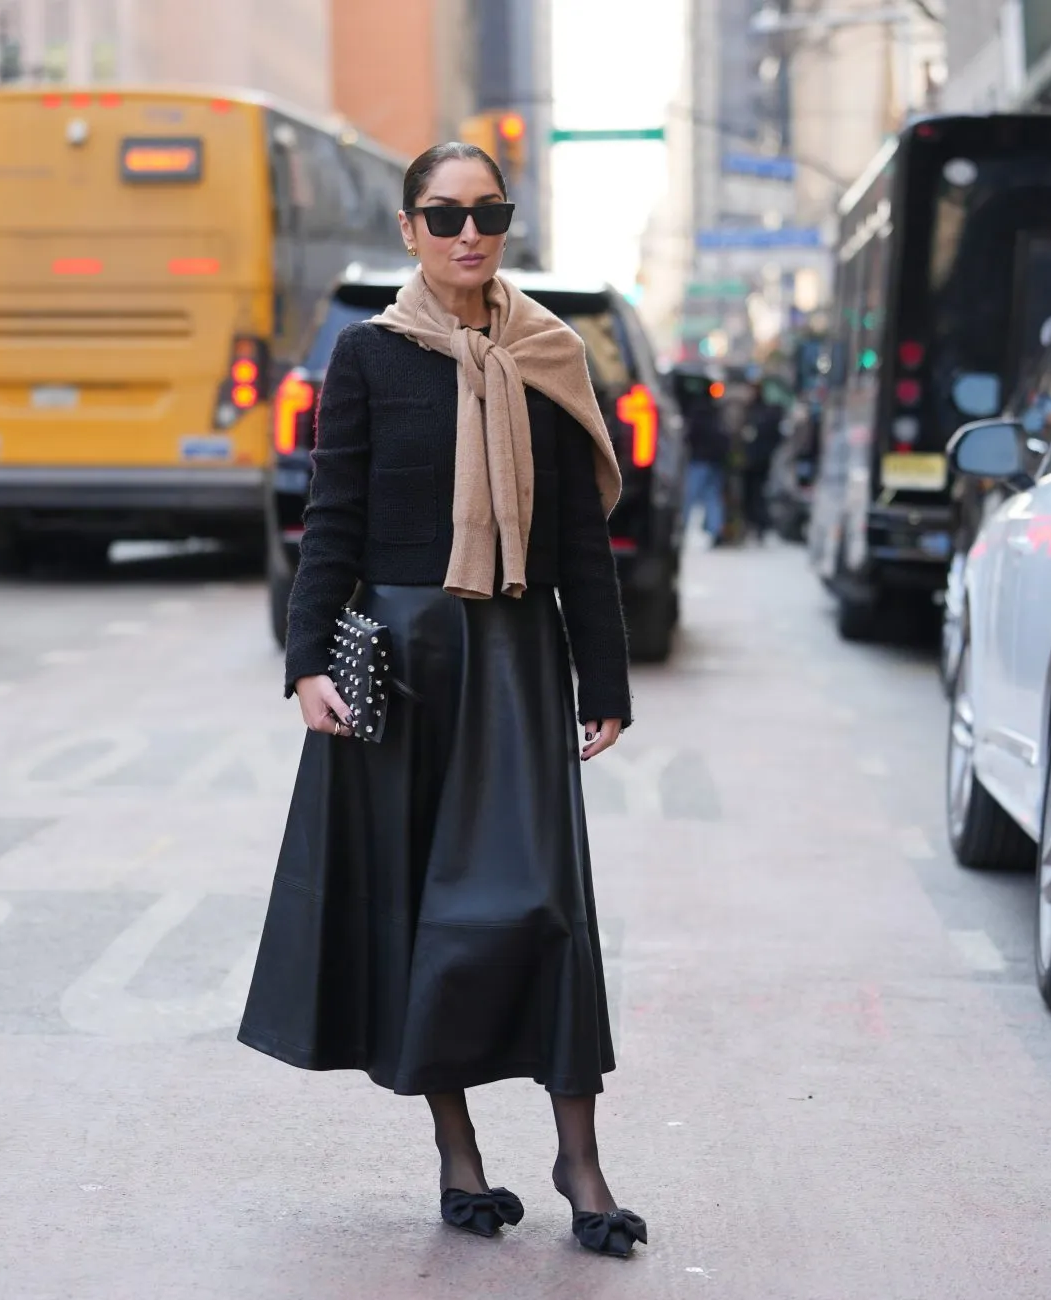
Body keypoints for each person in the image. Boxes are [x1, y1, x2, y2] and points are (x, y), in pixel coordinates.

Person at [237, 141, 648, 1260]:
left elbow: (580, 540)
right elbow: (331, 518)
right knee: (424, 911)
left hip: (516, 656)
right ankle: (457, 1150)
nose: (469, 233)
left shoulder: (550, 353)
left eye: (488, 213)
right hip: (408, 665)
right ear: (409, 228)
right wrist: (307, 662)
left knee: (540, 904)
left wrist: (605, 677)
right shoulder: (367, 357)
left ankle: (578, 1158)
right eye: (445, 214)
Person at [683, 380, 730, 545]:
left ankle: (681, 527)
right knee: (713, 497)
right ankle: (716, 530)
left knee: (690, 496)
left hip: (699, 460)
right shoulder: (717, 411)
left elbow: (690, 436)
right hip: (715, 461)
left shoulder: (697, 412)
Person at [739, 381, 784, 542]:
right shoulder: (749, 410)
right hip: (750, 461)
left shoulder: (764, 412)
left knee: (757, 494)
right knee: (750, 494)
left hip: (759, 461)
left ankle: (759, 525)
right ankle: (754, 525)